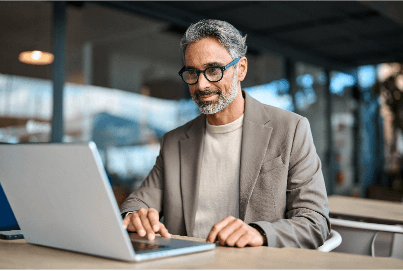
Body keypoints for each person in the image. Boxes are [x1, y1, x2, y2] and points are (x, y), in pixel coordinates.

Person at [120, 19, 330, 248]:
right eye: (192, 72)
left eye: (213, 70)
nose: (201, 85)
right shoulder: (174, 141)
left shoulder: (291, 129)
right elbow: (139, 201)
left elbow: (314, 222)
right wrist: (134, 214)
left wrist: (260, 233)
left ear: (241, 69)